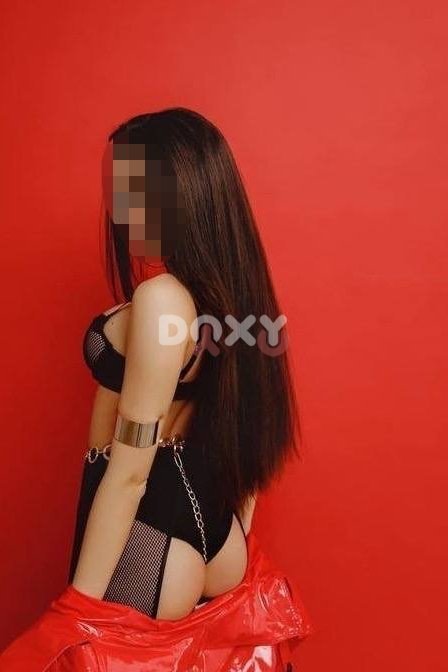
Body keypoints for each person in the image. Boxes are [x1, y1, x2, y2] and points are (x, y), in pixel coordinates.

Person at [0, 107, 313, 670]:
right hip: (215, 530)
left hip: (150, 531)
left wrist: (77, 609)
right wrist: (233, 534)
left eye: (132, 187)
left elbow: (131, 472)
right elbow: (250, 423)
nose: (117, 206)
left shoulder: (163, 298)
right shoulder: (227, 297)